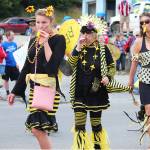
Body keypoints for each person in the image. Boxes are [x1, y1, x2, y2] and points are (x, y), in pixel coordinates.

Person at [7, 6, 66, 149]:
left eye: (44, 22)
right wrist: (15, 91)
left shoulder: (58, 39)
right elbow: (27, 67)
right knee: (38, 130)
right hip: (34, 88)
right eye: (38, 22)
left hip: (48, 88)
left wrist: (46, 43)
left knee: (37, 129)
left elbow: (52, 67)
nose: (40, 26)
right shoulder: (33, 40)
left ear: (51, 21)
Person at [68, 16, 116, 149]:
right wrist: (77, 47)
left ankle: (98, 147)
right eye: (83, 32)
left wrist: (108, 77)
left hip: (96, 92)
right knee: (79, 125)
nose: (85, 36)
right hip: (79, 92)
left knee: (96, 125)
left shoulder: (102, 48)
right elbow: (70, 65)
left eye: (88, 33)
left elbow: (112, 66)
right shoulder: (78, 48)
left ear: (95, 35)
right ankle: (81, 148)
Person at [128, 12, 150, 145]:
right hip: (145, 80)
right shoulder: (138, 42)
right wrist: (130, 81)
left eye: (147, 21)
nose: (144, 24)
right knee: (149, 110)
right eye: (142, 23)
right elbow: (134, 63)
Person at [2, 31, 20, 96]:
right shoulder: (3, 44)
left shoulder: (14, 44)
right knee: (6, 79)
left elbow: (16, 54)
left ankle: (15, 92)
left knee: (17, 79)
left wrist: (17, 63)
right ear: (8, 36)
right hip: (6, 65)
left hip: (14, 65)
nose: (13, 36)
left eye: (13, 35)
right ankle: (7, 92)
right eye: (12, 35)